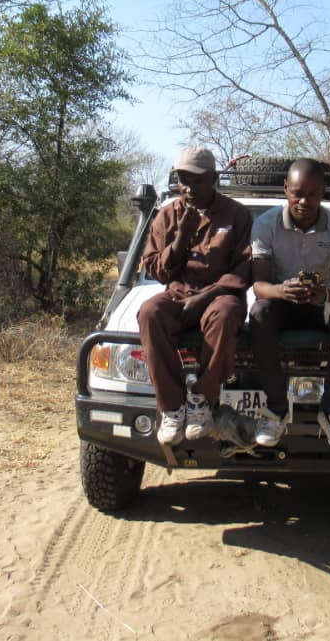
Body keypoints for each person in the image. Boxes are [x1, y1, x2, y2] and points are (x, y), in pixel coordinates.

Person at [139, 147, 252, 445]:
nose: (188, 188)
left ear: (213, 179)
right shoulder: (168, 214)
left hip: (219, 295)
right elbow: (157, 271)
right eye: (183, 180)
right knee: (149, 312)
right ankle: (172, 406)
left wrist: (203, 298)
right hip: (178, 293)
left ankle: (201, 400)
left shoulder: (236, 214)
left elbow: (243, 270)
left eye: (197, 180)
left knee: (227, 313)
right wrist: (180, 238)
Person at [249, 158, 330, 452]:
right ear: (286, 189)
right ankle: (276, 410)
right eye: (297, 192)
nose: (303, 201)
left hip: (318, 303)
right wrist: (283, 290)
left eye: (312, 194)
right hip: (282, 301)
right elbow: (259, 286)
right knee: (259, 312)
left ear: (322, 192)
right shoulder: (264, 225)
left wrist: (323, 294)